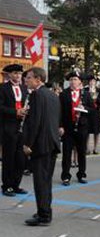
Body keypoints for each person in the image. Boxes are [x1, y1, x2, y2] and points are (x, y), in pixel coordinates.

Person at [22, 67, 61, 226]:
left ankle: (44, 215)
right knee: (46, 180)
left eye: (29, 78)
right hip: (51, 142)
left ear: (38, 79)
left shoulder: (37, 95)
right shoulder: (52, 94)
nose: (26, 80)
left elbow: (35, 122)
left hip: (41, 144)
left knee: (40, 181)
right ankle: (44, 210)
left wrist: (28, 143)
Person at [59, 72, 94, 186]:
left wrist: (84, 108)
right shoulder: (64, 94)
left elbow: (93, 110)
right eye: (71, 79)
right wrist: (60, 126)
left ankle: (81, 174)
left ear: (80, 82)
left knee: (81, 152)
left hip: (82, 127)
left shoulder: (86, 94)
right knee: (67, 153)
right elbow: (59, 112)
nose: (73, 81)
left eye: (75, 79)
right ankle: (65, 176)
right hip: (68, 127)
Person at [0, 64, 29, 196]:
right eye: (15, 73)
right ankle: (7, 186)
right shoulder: (3, 88)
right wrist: (15, 112)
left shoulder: (24, 88)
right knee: (8, 158)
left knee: (20, 158)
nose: (18, 76)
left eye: (19, 73)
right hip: (8, 127)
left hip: (21, 127)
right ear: (9, 74)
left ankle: (16, 184)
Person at [85, 75, 100, 155]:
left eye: (93, 81)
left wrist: (96, 100)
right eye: (91, 81)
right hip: (88, 112)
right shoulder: (85, 90)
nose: (92, 82)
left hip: (96, 112)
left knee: (96, 131)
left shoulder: (98, 90)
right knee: (87, 131)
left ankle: (95, 148)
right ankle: (87, 148)